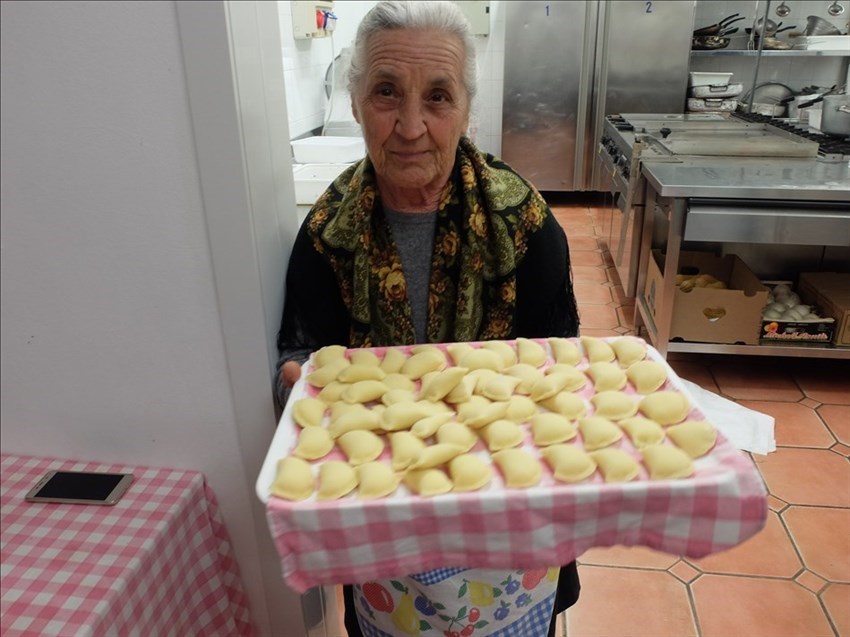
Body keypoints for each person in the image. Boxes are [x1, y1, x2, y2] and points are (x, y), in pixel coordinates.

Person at [275, 2, 580, 635]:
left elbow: (564, 370)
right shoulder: (328, 235)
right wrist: (300, 384)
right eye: (387, 92)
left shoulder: (525, 226)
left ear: (466, 110)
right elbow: (300, 355)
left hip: (506, 528)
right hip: (383, 531)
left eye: (438, 97)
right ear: (356, 102)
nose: (410, 126)